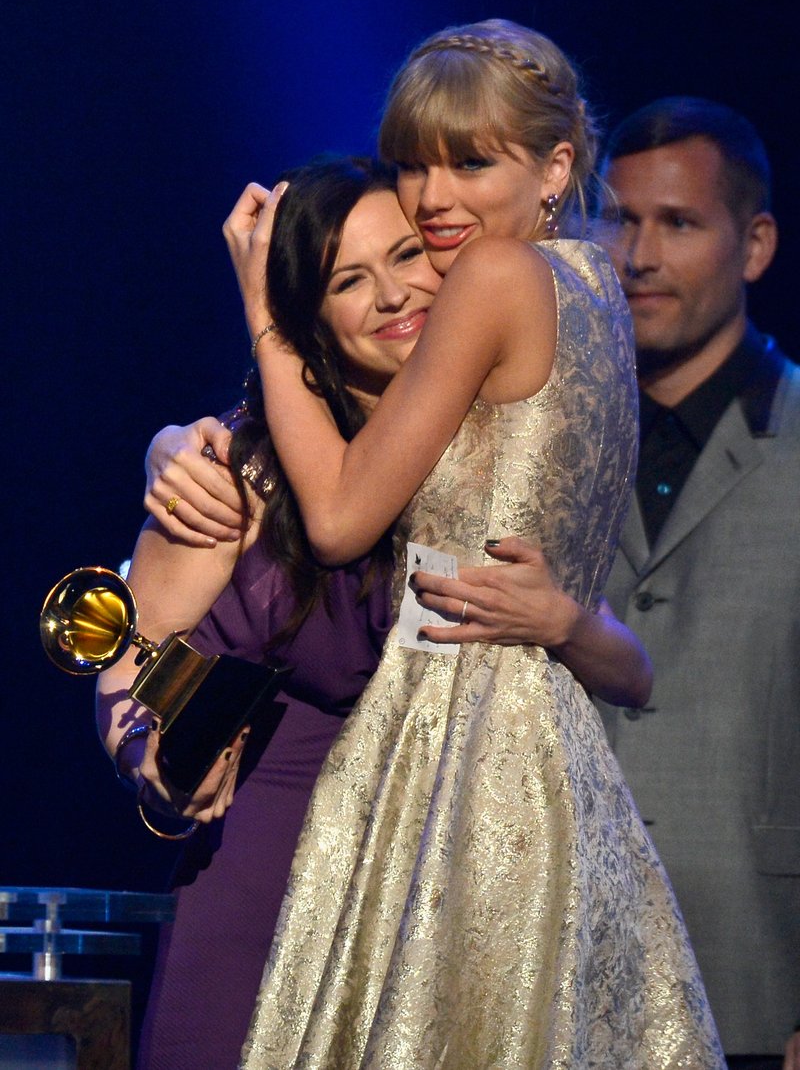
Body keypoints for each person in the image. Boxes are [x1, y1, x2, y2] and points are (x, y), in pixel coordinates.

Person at [226, 21, 722, 1067]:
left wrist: (269, 320)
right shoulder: (592, 288)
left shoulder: (494, 277)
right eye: (412, 161)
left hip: (458, 741)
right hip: (545, 745)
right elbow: (620, 657)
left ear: (553, 166)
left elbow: (339, 517)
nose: (432, 194)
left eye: (469, 161)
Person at [107, 157, 653, 1070]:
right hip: (264, 890)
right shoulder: (238, 466)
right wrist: (147, 758)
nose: (395, 293)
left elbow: (634, 670)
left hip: (433, 892)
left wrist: (562, 620)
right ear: (305, 316)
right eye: (347, 281)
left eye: (408, 255)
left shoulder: (490, 451)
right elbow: (128, 661)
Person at [590, 97, 800, 1070]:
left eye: (675, 223)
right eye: (617, 218)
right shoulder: (556, 441)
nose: (636, 256)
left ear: (752, 244)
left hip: (752, 988)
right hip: (558, 982)